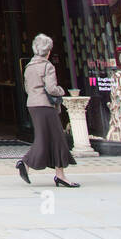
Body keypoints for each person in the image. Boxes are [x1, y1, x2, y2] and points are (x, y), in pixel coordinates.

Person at [16, 33, 79, 187]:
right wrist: (61, 90)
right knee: (50, 137)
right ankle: (25, 163)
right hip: (45, 105)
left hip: (33, 104)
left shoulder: (28, 67)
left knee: (54, 138)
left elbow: (26, 88)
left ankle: (60, 175)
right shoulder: (47, 66)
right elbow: (51, 88)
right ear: (48, 50)